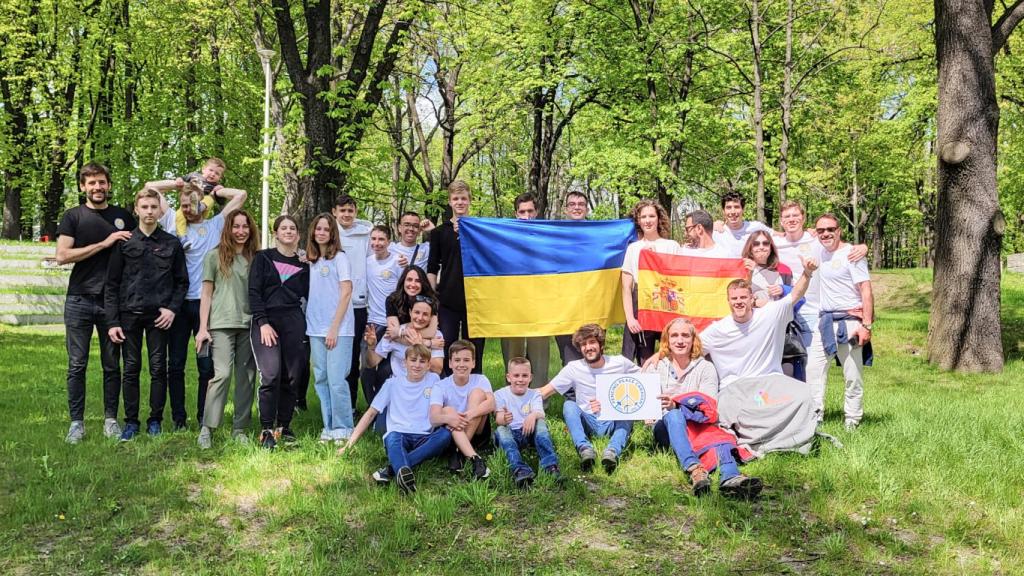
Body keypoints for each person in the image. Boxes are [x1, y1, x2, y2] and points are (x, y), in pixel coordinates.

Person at [155, 181, 247, 432]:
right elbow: (151, 189)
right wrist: (177, 185)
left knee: (206, 366)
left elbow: (241, 194)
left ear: (203, 205)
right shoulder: (173, 221)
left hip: (208, 307)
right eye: (183, 204)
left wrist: (215, 192)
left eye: (192, 203)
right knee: (175, 364)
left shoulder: (215, 224)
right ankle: (178, 419)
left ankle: (203, 417)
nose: (187, 208)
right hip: (178, 305)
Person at [698, 271, 821, 455]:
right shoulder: (717, 330)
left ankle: (787, 440)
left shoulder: (770, 314)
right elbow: (688, 348)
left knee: (803, 395)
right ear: (728, 301)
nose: (739, 301)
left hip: (769, 384)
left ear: (751, 298)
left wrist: (808, 272)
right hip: (736, 388)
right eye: (734, 298)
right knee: (742, 409)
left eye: (743, 297)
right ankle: (773, 439)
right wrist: (658, 355)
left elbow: (796, 294)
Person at [56, 162, 135, 443]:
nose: (97, 187)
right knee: (77, 365)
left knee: (112, 365)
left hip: (112, 304)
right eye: (91, 183)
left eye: (101, 182)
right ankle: (76, 424)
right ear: (82, 187)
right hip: (78, 299)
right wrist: (105, 242)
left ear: (108, 185)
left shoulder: (124, 217)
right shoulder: (73, 217)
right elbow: (63, 256)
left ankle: (111, 420)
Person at [643, 318, 762, 498]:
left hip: (698, 425)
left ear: (693, 340)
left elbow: (708, 407)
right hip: (665, 427)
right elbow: (641, 398)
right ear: (667, 340)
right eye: (674, 335)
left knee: (718, 438)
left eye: (685, 335)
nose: (680, 340)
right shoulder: (656, 366)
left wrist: (678, 403)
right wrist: (648, 414)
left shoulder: (706, 368)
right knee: (674, 415)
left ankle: (731, 478)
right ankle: (695, 470)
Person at [104, 188, 187, 441]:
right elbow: (112, 284)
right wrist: (112, 321)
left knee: (158, 369)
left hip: (158, 317)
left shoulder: (171, 244)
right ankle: (131, 422)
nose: (149, 211)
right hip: (128, 315)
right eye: (145, 207)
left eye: (154, 207)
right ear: (136, 210)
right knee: (130, 368)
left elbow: (182, 282)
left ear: (160, 211)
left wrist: (172, 309)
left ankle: (155, 420)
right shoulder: (125, 242)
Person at [338, 345, 451, 495]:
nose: (417, 365)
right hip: (399, 434)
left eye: (422, 361)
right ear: (405, 362)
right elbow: (371, 413)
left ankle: (393, 469)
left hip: (424, 436)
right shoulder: (392, 384)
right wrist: (349, 444)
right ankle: (403, 473)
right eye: (413, 360)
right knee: (391, 438)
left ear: (429, 365)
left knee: (445, 435)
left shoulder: (434, 379)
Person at [194, 209, 259, 449]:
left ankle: (240, 428)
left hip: (248, 324)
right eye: (236, 226)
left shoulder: (256, 258)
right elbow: (206, 293)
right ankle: (207, 428)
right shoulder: (214, 256)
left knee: (246, 377)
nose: (241, 231)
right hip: (220, 324)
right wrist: (203, 328)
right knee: (221, 374)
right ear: (228, 229)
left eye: (245, 226)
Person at [539, 324, 639, 473]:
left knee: (628, 410)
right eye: (583, 344)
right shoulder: (573, 367)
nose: (588, 347)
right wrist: (509, 396)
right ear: (580, 349)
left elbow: (645, 378)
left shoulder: (619, 363)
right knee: (569, 405)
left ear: (601, 344)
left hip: (612, 419)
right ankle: (585, 449)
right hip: (588, 420)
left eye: (592, 342)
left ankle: (612, 451)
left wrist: (658, 356)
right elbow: (545, 391)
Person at [806, 214, 874, 430]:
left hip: (850, 322)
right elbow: (787, 232)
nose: (826, 233)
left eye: (830, 229)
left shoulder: (852, 254)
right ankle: (814, 418)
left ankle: (852, 420)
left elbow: (865, 289)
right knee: (814, 371)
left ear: (839, 230)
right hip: (825, 321)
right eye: (821, 230)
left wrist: (866, 324)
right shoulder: (818, 250)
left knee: (852, 374)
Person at [248, 215, 310, 449]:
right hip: (266, 321)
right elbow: (254, 292)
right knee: (271, 374)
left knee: (292, 375)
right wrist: (263, 322)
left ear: (298, 234)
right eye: (283, 228)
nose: (288, 231)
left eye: (292, 228)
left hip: (293, 320)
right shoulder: (263, 258)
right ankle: (266, 428)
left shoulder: (304, 263)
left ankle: (283, 425)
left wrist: (309, 261)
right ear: (276, 233)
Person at [306, 213, 356, 442]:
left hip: (339, 329)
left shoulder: (340, 258)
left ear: (332, 233)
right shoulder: (312, 260)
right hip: (315, 328)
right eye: (319, 229)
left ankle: (344, 427)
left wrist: (334, 328)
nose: (322, 232)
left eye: (326, 229)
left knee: (337, 380)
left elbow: (346, 293)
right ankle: (329, 426)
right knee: (321, 378)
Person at [427, 180, 485, 374]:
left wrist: (470, 233)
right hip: (448, 300)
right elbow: (432, 267)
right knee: (448, 347)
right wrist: (432, 298)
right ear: (450, 202)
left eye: (463, 198)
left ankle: (476, 394)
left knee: (475, 350)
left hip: (476, 300)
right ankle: (447, 394)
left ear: (469, 201)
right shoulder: (438, 232)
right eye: (455, 199)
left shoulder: (481, 231)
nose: (460, 202)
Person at [500, 193, 551, 388]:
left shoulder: (547, 235)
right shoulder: (503, 236)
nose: (527, 215)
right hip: (512, 304)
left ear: (537, 212)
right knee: (513, 352)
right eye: (522, 212)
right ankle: (514, 397)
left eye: (530, 211)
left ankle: (538, 401)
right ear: (516, 213)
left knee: (539, 355)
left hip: (540, 304)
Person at [621, 200, 678, 364]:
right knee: (643, 358)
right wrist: (630, 318)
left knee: (668, 355)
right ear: (638, 221)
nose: (648, 220)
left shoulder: (671, 246)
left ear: (659, 218)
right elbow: (626, 287)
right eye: (643, 216)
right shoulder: (633, 248)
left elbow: (678, 280)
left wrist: (655, 260)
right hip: (641, 305)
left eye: (651, 216)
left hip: (666, 304)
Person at [429, 340, 494, 480]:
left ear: (473, 363)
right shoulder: (440, 386)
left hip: (477, 431)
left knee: (477, 394)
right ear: (450, 363)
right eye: (457, 360)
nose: (461, 364)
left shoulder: (481, 379)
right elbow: (433, 418)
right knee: (448, 410)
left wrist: (469, 414)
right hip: (452, 434)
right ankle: (474, 458)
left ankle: (458, 452)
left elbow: (491, 404)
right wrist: (451, 418)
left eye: (466, 360)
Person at [494, 356, 561, 488]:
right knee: (501, 430)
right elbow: (498, 419)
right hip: (511, 433)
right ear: (509, 377)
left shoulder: (534, 394)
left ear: (530, 377)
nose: (520, 379)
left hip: (529, 432)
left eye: (524, 375)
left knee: (540, 423)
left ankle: (550, 466)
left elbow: (540, 413)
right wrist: (504, 418)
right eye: (516, 375)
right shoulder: (500, 394)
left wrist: (532, 415)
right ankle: (520, 469)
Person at [334, 196, 372, 415]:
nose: (347, 214)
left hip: (360, 305)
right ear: (335, 211)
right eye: (342, 210)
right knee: (342, 358)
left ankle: (355, 405)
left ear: (356, 211)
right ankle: (341, 406)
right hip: (337, 306)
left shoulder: (366, 234)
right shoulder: (329, 233)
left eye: (350, 210)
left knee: (359, 357)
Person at [362, 225, 402, 407]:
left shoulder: (397, 262)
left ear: (389, 242)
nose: (377, 243)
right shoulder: (367, 262)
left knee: (386, 370)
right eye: (374, 239)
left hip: (392, 324)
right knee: (366, 368)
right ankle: (372, 406)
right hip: (372, 323)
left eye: (381, 239)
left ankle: (384, 407)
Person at [366, 295, 445, 380]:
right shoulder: (395, 333)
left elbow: (438, 369)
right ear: (410, 312)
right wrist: (371, 346)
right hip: (400, 384)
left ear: (430, 318)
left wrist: (420, 346)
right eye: (417, 312)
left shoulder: (436, 335)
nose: (420, 318)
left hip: (426, 385)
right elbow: (372, 363)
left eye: (425, 314)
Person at [553, 191, 590, 367]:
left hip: (593, 303)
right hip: (563, 305)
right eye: (572, 204)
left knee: (592, 351)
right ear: (566, 209)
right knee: (568, 357)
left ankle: (593, 392)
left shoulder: (600, 234)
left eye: (581, 204)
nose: (577, 207)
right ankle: (572, 394)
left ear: (587, 208)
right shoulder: (555, 234)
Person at [385, 265, 438, 339]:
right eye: (409, 280)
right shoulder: (392, 300)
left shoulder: (430, 300)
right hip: (399, 345)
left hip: (423, 347)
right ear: (403, 281)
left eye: (418, 281)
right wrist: (429, 343)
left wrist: (400, 332)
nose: (413, 284)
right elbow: (393, 334)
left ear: (423, 283)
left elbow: (430, 332)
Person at [712, 192, 771, 257]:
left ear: (743, 209)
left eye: (736, 207)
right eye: (729, 207)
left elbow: (780, 236)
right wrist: (711, 226)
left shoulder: (757, 227)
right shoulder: (716, 231)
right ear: (723, 211)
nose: (733, 212)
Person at [741, 230, 791, 306]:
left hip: (779, 316)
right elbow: (736, 296)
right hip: (754, 317)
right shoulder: (742, 269)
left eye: (765, 243)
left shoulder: (784, 270)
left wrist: (783, 290)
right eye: (756, 244)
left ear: (771, 247)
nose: (761, 247)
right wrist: (754, 303)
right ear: (750, 248)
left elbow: (796, 296)